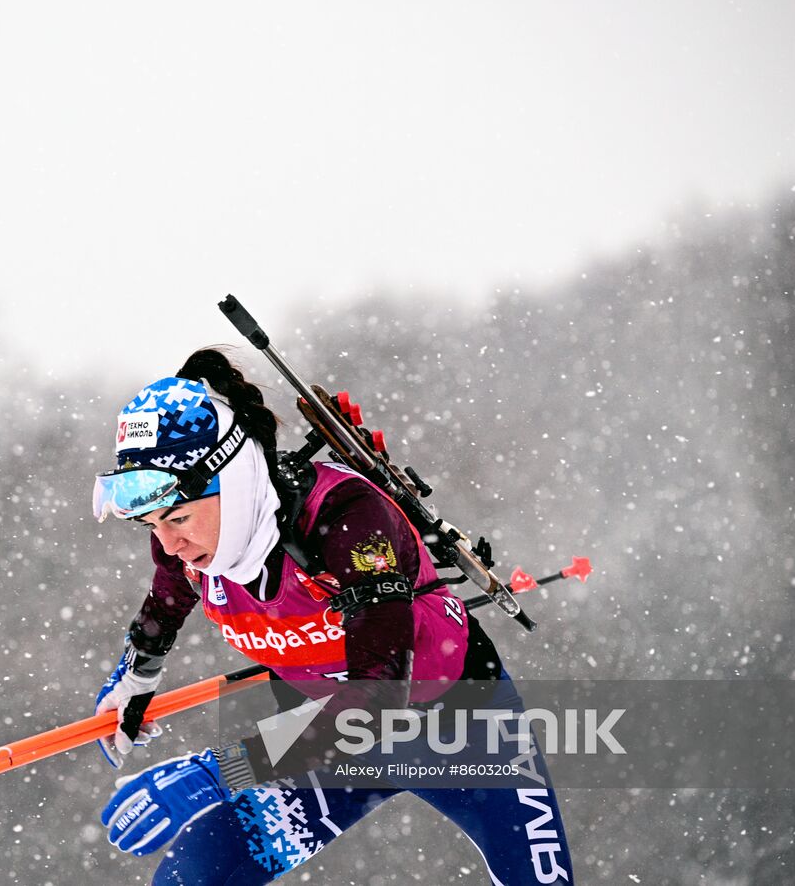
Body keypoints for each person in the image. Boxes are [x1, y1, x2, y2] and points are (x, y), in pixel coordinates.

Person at [90, 348, 575, 885]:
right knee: (195, 876)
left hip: (459, 727)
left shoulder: (349, 518)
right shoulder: (186, 546)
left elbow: (379, 700)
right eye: (149, 524)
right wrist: (134, 678)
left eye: (178, 517)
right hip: (323, 739)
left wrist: (217, 772)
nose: (171, 542)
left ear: (235, 476)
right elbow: (165, 604)